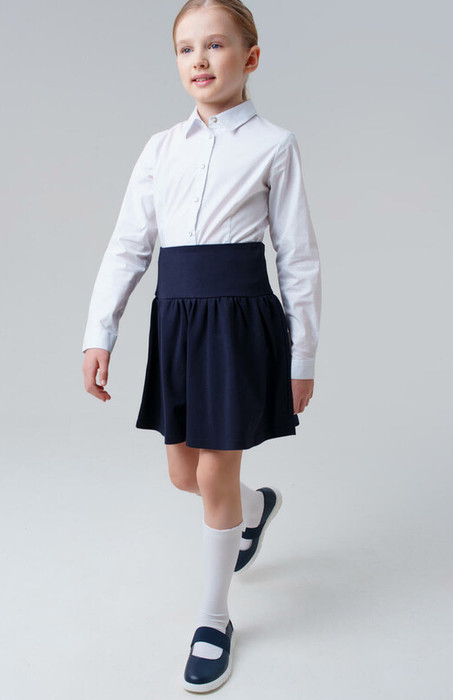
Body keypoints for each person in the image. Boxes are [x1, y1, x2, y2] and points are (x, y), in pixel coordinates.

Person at [81, 0, 321, 692]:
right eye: (186, 48)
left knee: (213, 473)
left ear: (250, 57)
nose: (199, 60)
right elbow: (129, 245)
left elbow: (298, 257)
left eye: (215, 45)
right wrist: (100, 332)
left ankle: (213, 619)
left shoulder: (273, 145)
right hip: (178, 321)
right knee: (183, 474)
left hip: (238, 323)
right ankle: (256, 508)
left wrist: (302, 355)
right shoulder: (160, 148)